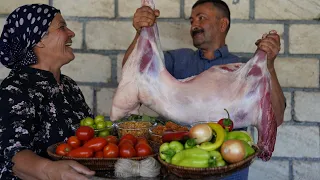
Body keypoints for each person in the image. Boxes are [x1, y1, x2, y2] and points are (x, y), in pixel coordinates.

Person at [122, 0, 286, 179]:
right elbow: (132, 76)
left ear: (223, 24)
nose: (194, 25)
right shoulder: (177, 59)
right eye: (192, 21)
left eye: (201, 18)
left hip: (229, 172)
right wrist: (141, 33)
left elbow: (275, 118)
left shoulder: (244, 69)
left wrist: (268, 66)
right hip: (177, 168)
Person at [0, 4, 96, 180]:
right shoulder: (15, 89)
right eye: (62, 27)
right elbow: (14, 156)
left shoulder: (69, 85)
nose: (71, 33)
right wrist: (50, 171)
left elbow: (89, 137)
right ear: (38, 40)